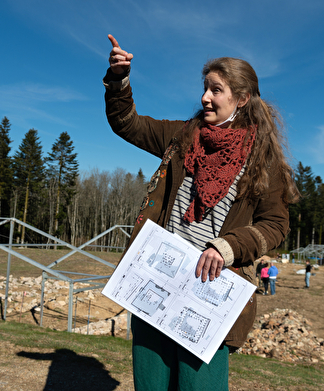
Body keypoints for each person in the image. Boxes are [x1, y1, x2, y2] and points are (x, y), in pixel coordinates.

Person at [104, 34, 299, 391]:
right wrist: (119, 79)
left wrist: (228, 248)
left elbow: (275, 224)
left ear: (241, 99)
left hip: (210, 293)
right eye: (205, 88)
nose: (204, 97)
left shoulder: (262, 158)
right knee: (151, 385)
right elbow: (126, 123)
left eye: (216, 90)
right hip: (156, 281)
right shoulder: (181, 137)